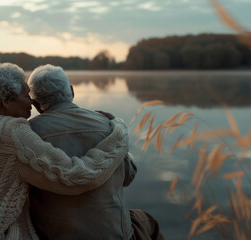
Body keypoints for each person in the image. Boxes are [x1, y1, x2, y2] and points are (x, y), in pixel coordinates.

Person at [0, 63, 130, 240]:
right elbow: (76, 177)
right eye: (26, 95)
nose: (31, 103)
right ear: (6, 101)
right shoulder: (16, 134)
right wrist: (119, 134)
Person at [28, 64, 164, 240]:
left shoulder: (26, 134)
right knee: (149, 223)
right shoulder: (108, 125)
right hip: (114, 234)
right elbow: (128, 176)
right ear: (71, 91)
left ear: (35, 104)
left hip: (53, 235)